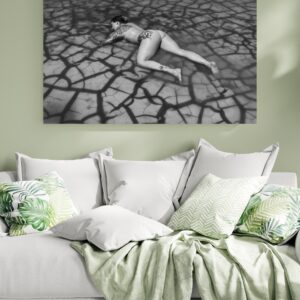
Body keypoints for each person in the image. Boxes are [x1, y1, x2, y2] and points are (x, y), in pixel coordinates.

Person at [97, 15, 218, 82]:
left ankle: (173, 71)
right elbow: (127, 25)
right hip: (156, 33)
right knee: (180, 51)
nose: (111, 27)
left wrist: (100, 42)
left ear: (116, 23)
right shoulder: (130, 25)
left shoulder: (119, 30)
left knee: (141, 61)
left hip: (147, 38)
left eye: (111, 24)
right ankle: (208, 63)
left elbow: (106, 41)